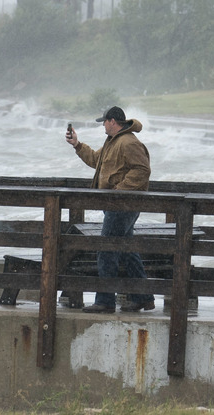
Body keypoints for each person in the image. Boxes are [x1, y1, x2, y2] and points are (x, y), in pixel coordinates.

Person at [65, 106, 156, 314]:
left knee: (106, 248)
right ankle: (143, 297)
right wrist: (77, 145)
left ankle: (105, 300)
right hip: (118, 205)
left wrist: (119, 191)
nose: (103, 126)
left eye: (104, 122)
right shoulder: (113, 142)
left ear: (113, 121)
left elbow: (142, 171)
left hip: (122, 205)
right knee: (126, 250)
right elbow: (97, 161)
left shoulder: (129, 142)